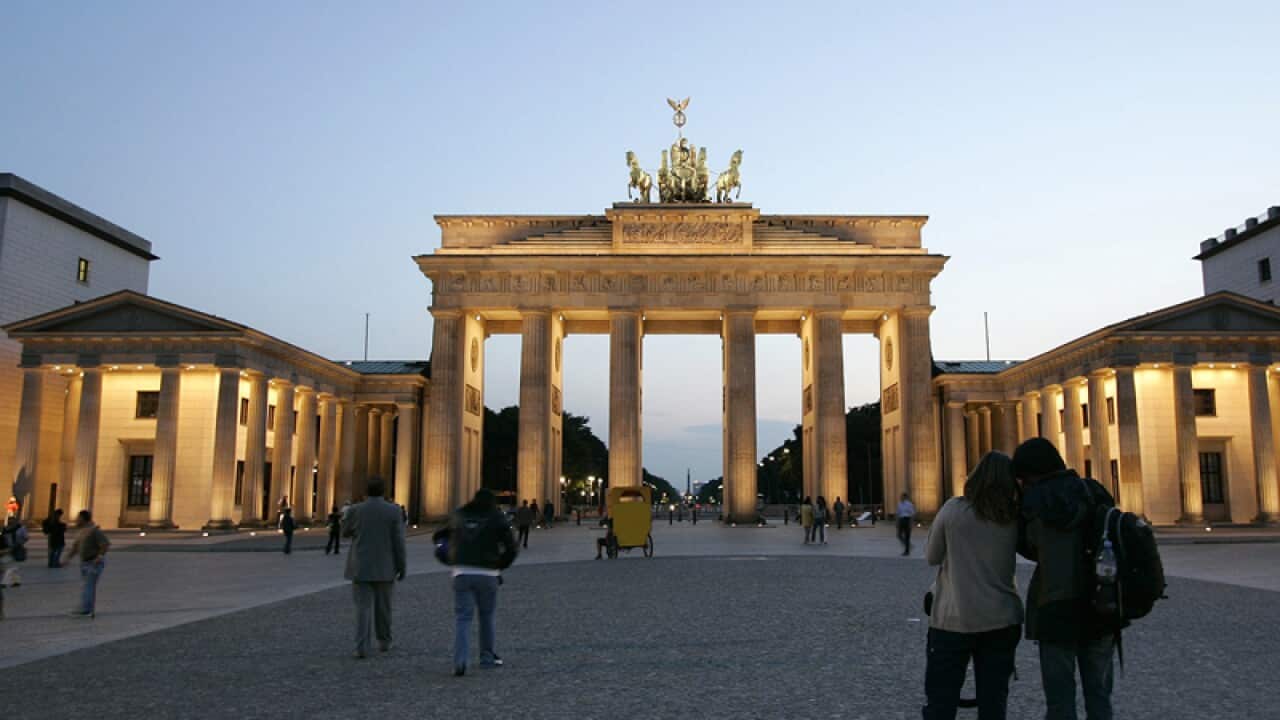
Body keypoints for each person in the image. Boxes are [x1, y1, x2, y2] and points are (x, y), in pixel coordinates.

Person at [1013, 438, 1118, 720]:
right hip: (1101, 604)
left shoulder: (1038, 502)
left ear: (1032, 474)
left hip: (1056, 607)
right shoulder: (1094, 491)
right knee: (1099, 696)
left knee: (1060, 702)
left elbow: (1029, 546)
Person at [923, 451, 1024, 719]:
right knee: (993, 704)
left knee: (940, 703)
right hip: (1002, 619)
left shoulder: (954, 510)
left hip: (954, 619)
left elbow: (932, 556)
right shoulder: (1014, 517)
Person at [447, 488, 517, 676]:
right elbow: (511, 547)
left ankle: (460, 660)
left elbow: (442, 538)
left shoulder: (460, 514)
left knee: (463, 618)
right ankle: (487, 657)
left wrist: (452, 561)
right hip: (488, 573)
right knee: (487, 616)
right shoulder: (496, 516)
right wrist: (500, 565)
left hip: (461, 572)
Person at [342, 477, 407, 659]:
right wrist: (402, 566)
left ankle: (361, 647)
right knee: (384, 607)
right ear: (384, 491)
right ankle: (384, 641)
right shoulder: (393, 511)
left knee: (362, 608)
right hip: (386, 566)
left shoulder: (355, 510)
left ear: (366, 491)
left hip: (360, 565)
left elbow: (345, 532)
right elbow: (399, 542)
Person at [64, 510, 110, 618]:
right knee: (87, 586)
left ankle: (86, 609)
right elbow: (76, 547)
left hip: (93, 563)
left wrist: (99, 557)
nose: (76, 520)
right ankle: (87, 607)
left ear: (84, 519)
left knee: (88, 586)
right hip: (85, 562)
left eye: (78, 518)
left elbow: (105, 544)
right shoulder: (82, 532)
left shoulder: (94, 531)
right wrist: (68, 558)